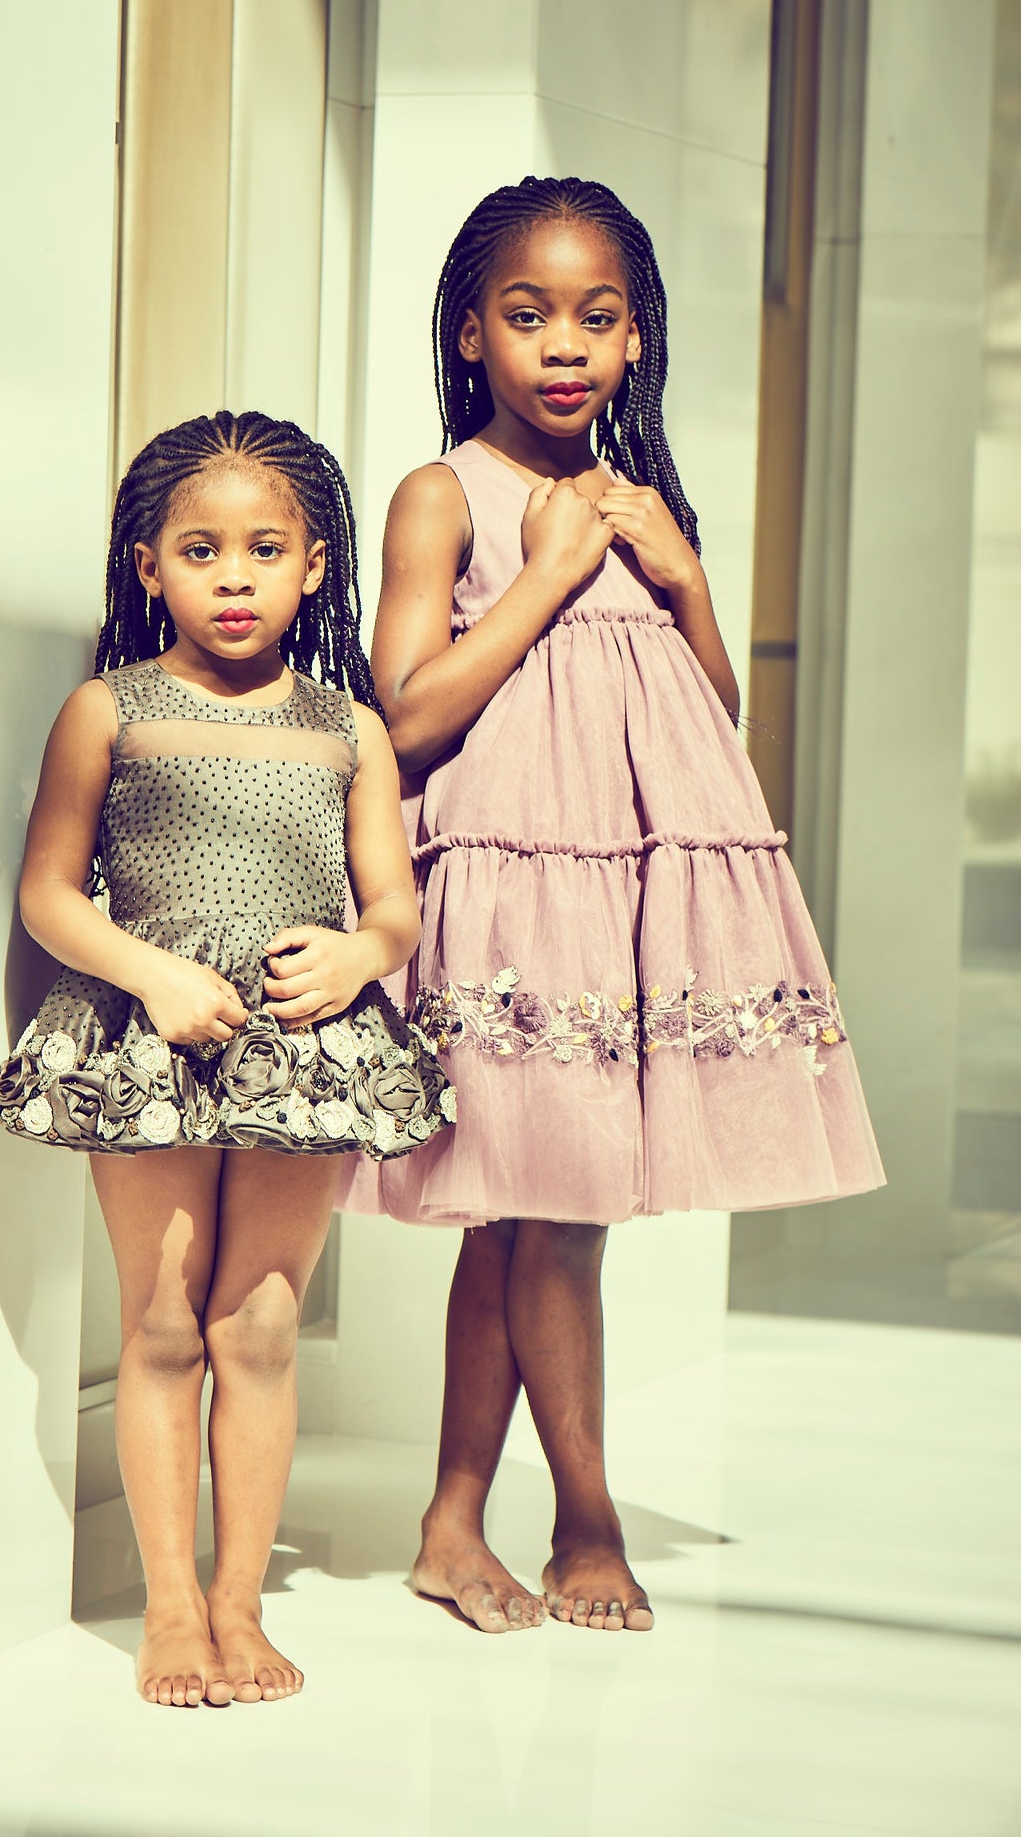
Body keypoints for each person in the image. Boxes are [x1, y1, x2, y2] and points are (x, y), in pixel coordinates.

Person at [338, 175, 885, 1636]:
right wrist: (547, 577)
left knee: (519, 1219)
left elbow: (703, 722)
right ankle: (584, 1522)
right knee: (556, 1218)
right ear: (470, 336)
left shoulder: (642, 503)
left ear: (635, 339)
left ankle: (453, 1526)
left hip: (624, 902)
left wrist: (684, 578)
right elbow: (402, 718)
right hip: (514, 896)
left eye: (595, 317)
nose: (562, 345)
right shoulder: (443, 497)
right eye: (526, 316)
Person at [0, 410, 449, 1707]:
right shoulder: (109, 712)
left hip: (299, 1048)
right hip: (150, 1044)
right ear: (149, 568)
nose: (234, 576)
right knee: (160, 1321)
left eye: (265, 549)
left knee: (256, 1327)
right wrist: (149, 971)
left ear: (315, 566)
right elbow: (48, 894)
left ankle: (242, 1609)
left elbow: (393, 906)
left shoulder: (351, 730)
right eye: (201, 550)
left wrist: (363, 958)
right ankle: (170, 1612)